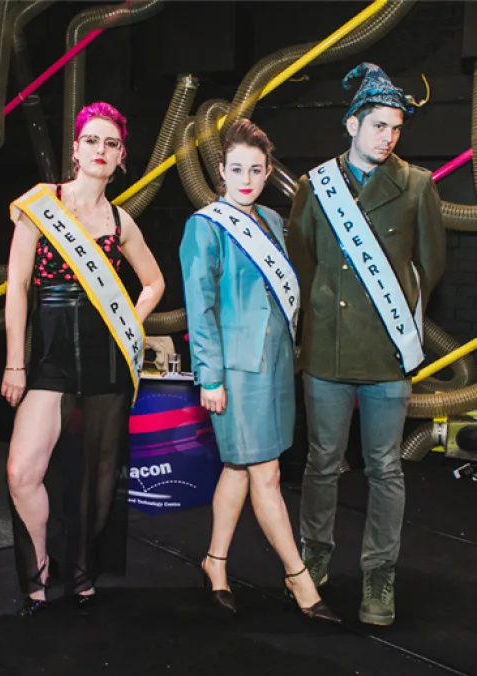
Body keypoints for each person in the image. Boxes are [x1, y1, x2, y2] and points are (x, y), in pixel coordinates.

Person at [287, 62, 444, 626]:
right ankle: (315, 557)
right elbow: (302, 261)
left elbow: (430, 264)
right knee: (322, 463)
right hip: (326, 351)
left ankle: (380, 574)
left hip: (386, 356)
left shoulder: (418, 186)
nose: (388, 136)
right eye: (378, 125)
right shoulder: (314, 185)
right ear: (351, 124)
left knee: (385, 467)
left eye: (396, 127)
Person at [2, 102, 164, 615]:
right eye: (92, 140)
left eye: (111, 144)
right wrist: (14, 362)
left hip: (108, 363)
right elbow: (18, 290)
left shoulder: (120, 220)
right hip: (49, 360)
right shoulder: (40, 205)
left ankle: (82, 574)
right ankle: (38, 572)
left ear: (121, 157)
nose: (101, 151)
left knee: (99, 478)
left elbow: (155, 282)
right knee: (21, 471)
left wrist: (130, 323)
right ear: (75, 149)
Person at [180, 119, 340, 623]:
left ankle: (216, 563)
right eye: (236, 169)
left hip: (274, 367)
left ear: (268, 172)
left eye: (255, 169)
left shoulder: (272, 219)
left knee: (239, 467)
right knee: (265, 473)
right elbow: (199, 307)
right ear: (221, 172)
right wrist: (209, 377)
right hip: (234, 370)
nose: (245, 178)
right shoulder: (205, 226)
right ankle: (300, 580)